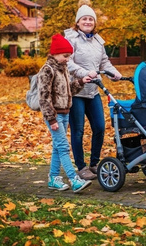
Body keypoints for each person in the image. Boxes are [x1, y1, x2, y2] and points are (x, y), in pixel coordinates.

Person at [65, 0, 122, 180]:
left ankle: (94, 164)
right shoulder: (71, 39)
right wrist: (84, 73)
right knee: (78, 130)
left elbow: (104, 61)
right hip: (76, 91)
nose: (88, 22)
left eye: (91, 19)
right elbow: (68, 62)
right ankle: (81, 167)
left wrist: (114, 72)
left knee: (99, 127)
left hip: (93, 90)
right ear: (78, 22)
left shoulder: (98, 41)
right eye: (84, 19)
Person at [39, 33, 92, 193]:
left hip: (65, 113)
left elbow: (69, 91)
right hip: (54, 115)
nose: (68, 59)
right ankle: (74, 179)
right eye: (65, 56)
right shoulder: (47, 70)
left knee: (57, 147)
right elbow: (44, 97)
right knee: (63, 146)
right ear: (55, 53)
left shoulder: (63, 69)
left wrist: (81, 82)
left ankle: (54, 178)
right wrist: (52, 119)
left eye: (69, 56)